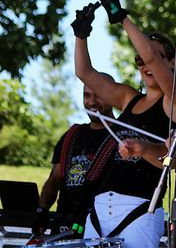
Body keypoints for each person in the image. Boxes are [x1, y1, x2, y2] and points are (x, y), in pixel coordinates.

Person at [72, 0, 176, 248]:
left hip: (140, 209)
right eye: (139, 61)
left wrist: (122, 18)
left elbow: (152, 60)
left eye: (155, 57)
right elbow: (84, 73)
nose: (146, 65)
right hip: (100, 207)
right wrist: (81, 35)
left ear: (172, 62)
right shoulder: (129, 97)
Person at [32, 81, 115, 237]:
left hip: (102, 226)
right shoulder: (72, 134)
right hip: (63, 222)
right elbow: (54, 178)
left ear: (112, 96)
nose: (91, 102)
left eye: (98, 95)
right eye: (86, 95)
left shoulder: (122, 137)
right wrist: (41, 211)